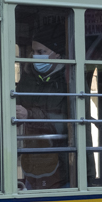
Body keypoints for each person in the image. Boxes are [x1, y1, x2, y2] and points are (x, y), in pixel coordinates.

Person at [15, 37, 71, 190]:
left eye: (41, 52)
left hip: (62, 164)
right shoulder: (27, 79)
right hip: (32, 161)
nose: (35, 56)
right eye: (32, 51)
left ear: (57, 54)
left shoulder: (69, 79)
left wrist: (29, 115)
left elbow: (66, 122)